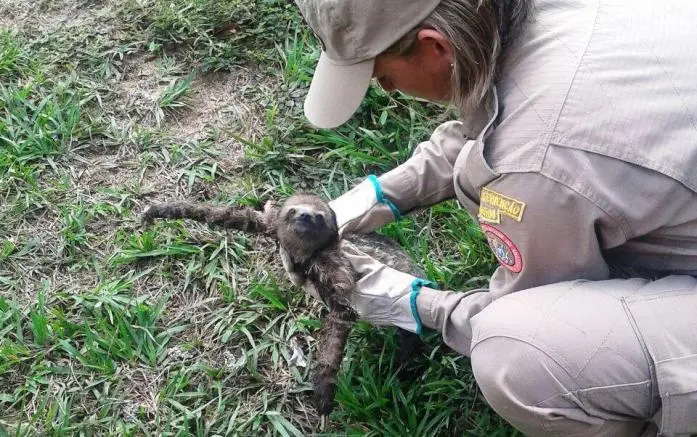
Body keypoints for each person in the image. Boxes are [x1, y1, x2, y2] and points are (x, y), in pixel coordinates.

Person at [291, 0, 697, 436]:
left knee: (516, 355)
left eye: (383, 76)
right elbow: (494, 122)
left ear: (435, 48)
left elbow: (538, 302)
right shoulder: (543, 17)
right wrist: (375, 197)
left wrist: (416, 304)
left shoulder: (537, 170)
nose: (386, 90)